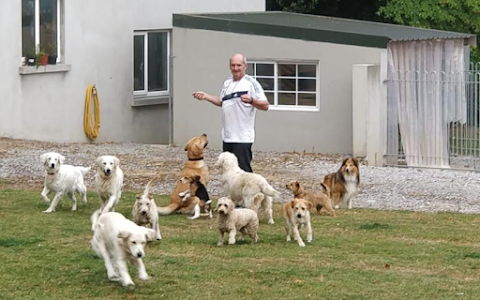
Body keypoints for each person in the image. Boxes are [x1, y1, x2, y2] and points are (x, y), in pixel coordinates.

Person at [193, 53, 269, 172]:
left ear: (245, 66)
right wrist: (206, 96)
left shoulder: (251, 83)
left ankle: (251, 191)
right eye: (233, 65)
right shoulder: (227, 83)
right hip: (228, 136)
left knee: (243, 172)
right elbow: (222, 102)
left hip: (242, 138)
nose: (235, 68)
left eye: (239, 65)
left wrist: (252, 100)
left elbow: (265, 106)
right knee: (228, 172)